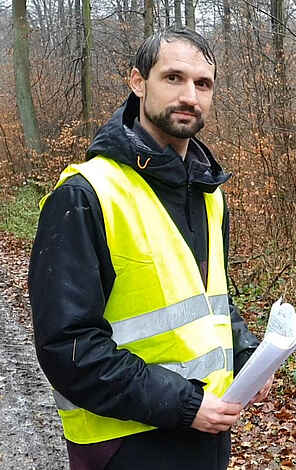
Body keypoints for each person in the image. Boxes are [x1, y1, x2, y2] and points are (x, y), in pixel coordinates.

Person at [29, 27, 271, 470]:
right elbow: (68, 347)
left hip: (204, 430)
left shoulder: (208, 194)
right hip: (124, 443)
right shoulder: (87, 194)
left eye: (203, 84)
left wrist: (247, 354)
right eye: (173, 78)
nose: (190, 96)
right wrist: (183, 404)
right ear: (138, 82)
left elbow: (208, 303)